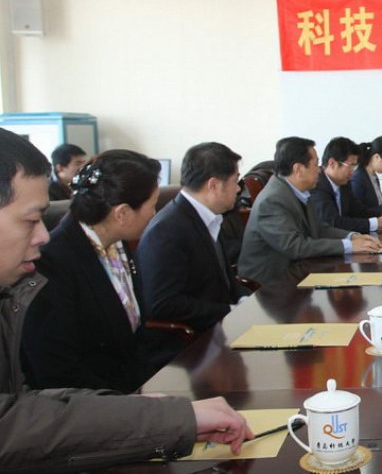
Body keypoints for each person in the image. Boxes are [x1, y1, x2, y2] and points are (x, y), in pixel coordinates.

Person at [0, 131, 250, 470]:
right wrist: (148, 412)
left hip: (118, 407)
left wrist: (158, 405)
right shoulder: (49, 267)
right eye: (31, 220)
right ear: (121, 213)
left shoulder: (115, 248)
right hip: (90, 424)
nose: (42, 235)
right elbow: (52, 382)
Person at [21, 150, 167, 393]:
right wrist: (131, 404)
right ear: (122, 214)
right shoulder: (52, 262)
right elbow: (58, 371)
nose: (154, 214)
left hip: (134, 387)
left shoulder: (117, 241)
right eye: (152, 206)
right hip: (93, 403)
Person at [138, 142, 249, 333]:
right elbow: (164, 304)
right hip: (195, 338)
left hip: (221, 325)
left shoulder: (209, 216)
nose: (238, 189)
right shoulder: (167, 230)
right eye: (235, 181)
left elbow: (225, 279)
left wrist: (243, 299)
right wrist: (230, 311)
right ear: (213, 185)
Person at [239, 137, 381, 284]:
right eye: (315, 164)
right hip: (269, 283)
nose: (319, 170)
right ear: (298, 170)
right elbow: (295, 246)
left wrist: (352, 236)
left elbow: (319, 229)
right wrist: (349, 246)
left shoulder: (299, 191)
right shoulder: (272, 200)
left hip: (297, 271)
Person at [310, 137, 382, 233]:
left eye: (355, 166)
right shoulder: (317, 185)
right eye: (351, 166)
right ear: (332, 163)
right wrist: (378, 222)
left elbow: (359, 212)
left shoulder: (344, 184)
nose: (353, 172)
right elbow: (333, 222)